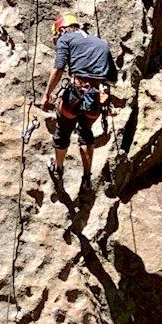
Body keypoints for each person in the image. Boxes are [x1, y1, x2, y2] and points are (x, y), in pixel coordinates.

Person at [40, 13, 117, 193]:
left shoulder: (65, 39)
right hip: (95, 99)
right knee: (86, 132)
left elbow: (58, 69)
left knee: (63, 131)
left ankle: (59, 170)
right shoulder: (101, 43)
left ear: (61, 30)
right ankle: (87, 178)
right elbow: (112, 79)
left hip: (74, 97)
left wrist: (47, 95)